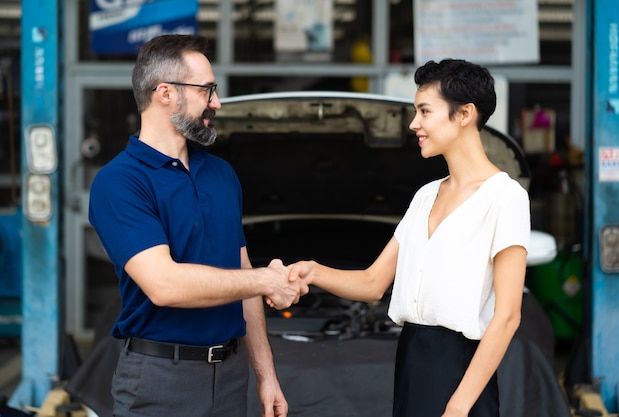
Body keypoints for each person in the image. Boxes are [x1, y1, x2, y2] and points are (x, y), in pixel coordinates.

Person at [289, 59, 530, 417]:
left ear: (464, 114)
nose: (414, 124)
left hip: (463, 370)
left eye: (424, 111)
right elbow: (373, 282)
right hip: (413, 358)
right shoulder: (426, 196)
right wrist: (313, 271)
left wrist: (459, 406)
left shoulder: (505, 198)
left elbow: (508, 316)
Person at [88, 34, 307, 417]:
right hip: (160, 380)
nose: (216, 103)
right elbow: (165, 285)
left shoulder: (220, 173)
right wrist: (265, 280)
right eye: (207, 90)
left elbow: (241, 271)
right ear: (165, 93)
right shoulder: (119, 182)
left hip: (231, 377)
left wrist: (266, 375)